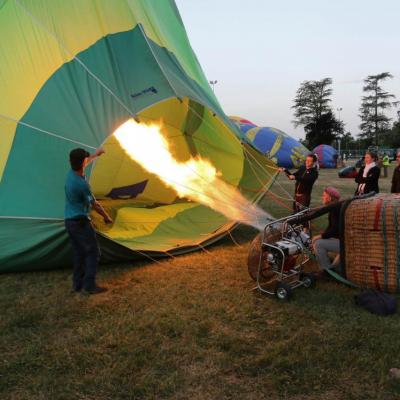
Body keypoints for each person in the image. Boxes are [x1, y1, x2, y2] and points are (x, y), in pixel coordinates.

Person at [65, 147, 113, 294]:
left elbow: (84, 162)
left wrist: (96, 155)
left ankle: (77, 284)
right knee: (93, 252)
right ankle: (89, 286)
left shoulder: (71, 173)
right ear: (82, 162)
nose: (87, 160)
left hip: (69, 222)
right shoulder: (81, 185)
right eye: (86, 159)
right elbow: (95, 204)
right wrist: (106, 217)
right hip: (80, 223)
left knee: (79, 253)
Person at [291, 187, 342, 273]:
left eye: (324, 196)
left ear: (329, 198)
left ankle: (326, 270)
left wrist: (319, 236)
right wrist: (322, 236)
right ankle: (330, 267)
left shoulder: (335, 208)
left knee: (318, 244)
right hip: (344, 240)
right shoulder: (337, 206)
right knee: (317, 241)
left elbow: (335, 230)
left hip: (346, 243)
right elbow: (331, 228)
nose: (322, 197)